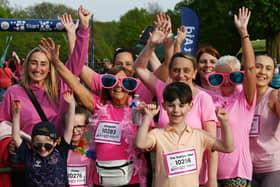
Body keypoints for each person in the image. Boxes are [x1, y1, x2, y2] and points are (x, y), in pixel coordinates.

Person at [38, 36, 149, 186]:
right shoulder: (98, 106)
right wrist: (56, 62)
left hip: (130, 179)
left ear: (131, 87)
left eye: (124, 82)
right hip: (101, 179)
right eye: (113, 81)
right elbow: (75, 84)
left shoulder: (137, 110)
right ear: (107, 87)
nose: (118, 86)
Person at [0, 5, 91, 187]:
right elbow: (3, 125)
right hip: (26, 163)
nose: (38, 68)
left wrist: (83, 28)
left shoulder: (60, 85)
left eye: (43, 64)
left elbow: (77, 62)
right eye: (34, 63)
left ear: (49, 67)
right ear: (26, 66)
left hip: (56, 161)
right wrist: (8, 144)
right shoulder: (13, 92)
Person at [134, 13, 218, 186]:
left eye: (186, 71)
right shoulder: (162, 90)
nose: (181, 75)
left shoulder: (204, 99)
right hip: (165, 180)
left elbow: (212, 146)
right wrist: (151, 44)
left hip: (195, 180)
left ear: (194, 73)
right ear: (170, 72)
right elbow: (140, 68)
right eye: (176, 70)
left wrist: (212, 180)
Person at [135, 82, 234, 187]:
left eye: (181, 105)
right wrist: (148, 117)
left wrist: (225, 122)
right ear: (164, 106)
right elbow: (141, 144)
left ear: (190, 106)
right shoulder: (157, 134)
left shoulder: (199, 136)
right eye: (171, 106)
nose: (176, 110)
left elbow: (227, 148)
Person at [204, 7, 256, 186]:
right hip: (207, 175)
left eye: (233, 77)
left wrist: (244, 34)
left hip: (236, 175)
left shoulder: (245, 98)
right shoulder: (207, 98)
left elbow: (250, 69)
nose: (226, 82)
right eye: (220, 77)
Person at [11, 92, 74, 186]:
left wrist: (71, 105)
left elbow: (69, 128)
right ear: (32, 143)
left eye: (48, 146)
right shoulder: (29, 155)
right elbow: (16, 138)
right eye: (38, 145)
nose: (42, 149)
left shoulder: (61, 151)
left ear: (55, 143)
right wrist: (16, 114)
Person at [249, 54, 280, 187]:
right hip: (247, 168)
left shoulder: (274, 95)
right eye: (258, 67)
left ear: (273, 74)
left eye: (268, 69)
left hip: (272, 167)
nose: (262, 72)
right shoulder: (241, 97)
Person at [67, 104, 95, 187]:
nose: (75, 131)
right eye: (71, 126)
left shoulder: (91, 153)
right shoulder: (58, 151)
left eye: (79, 126)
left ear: (86, 128)